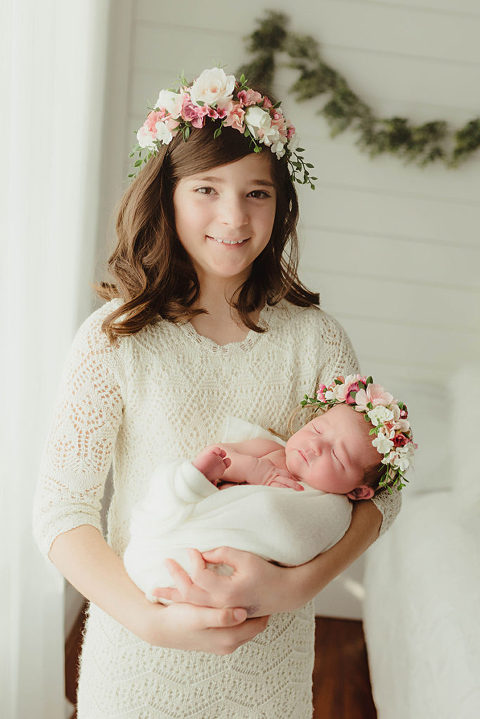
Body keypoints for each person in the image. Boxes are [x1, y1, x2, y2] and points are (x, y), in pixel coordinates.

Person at [33, 67, 402, 718]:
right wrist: (148, 620)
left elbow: (384, 487)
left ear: (280, 204)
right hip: (137, 669)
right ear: (167, 195)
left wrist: (297, 584)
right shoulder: (114, 337)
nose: (234, 217)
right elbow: (62, 513)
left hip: (267, 675)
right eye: (208, 189)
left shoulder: (315, 339)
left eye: (257, 192)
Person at [124, 377, 414, 604]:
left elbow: (293, 544)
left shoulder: (329, 507)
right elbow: (224, 456)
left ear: (359, 492)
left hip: (226, 559)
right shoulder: (271, 450)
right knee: (177, 479)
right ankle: (183, 489)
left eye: (337, 457)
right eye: (316, 430)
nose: (315, 446)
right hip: (197, 514)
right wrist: (251, 469)